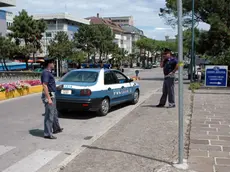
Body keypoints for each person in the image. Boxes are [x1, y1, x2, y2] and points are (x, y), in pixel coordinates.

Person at [41, 57, 63, 139]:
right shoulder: (46, 73)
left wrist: (57, 88)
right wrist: (49, 98)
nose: (54, 64)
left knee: (54, 112)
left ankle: (56, 128)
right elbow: (45, 85)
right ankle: (47, 133)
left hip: (51, 93)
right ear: (49, 64)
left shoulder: (49, 72)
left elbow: (50, 85)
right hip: (49, 94)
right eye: (53, 63)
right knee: (49, 114)